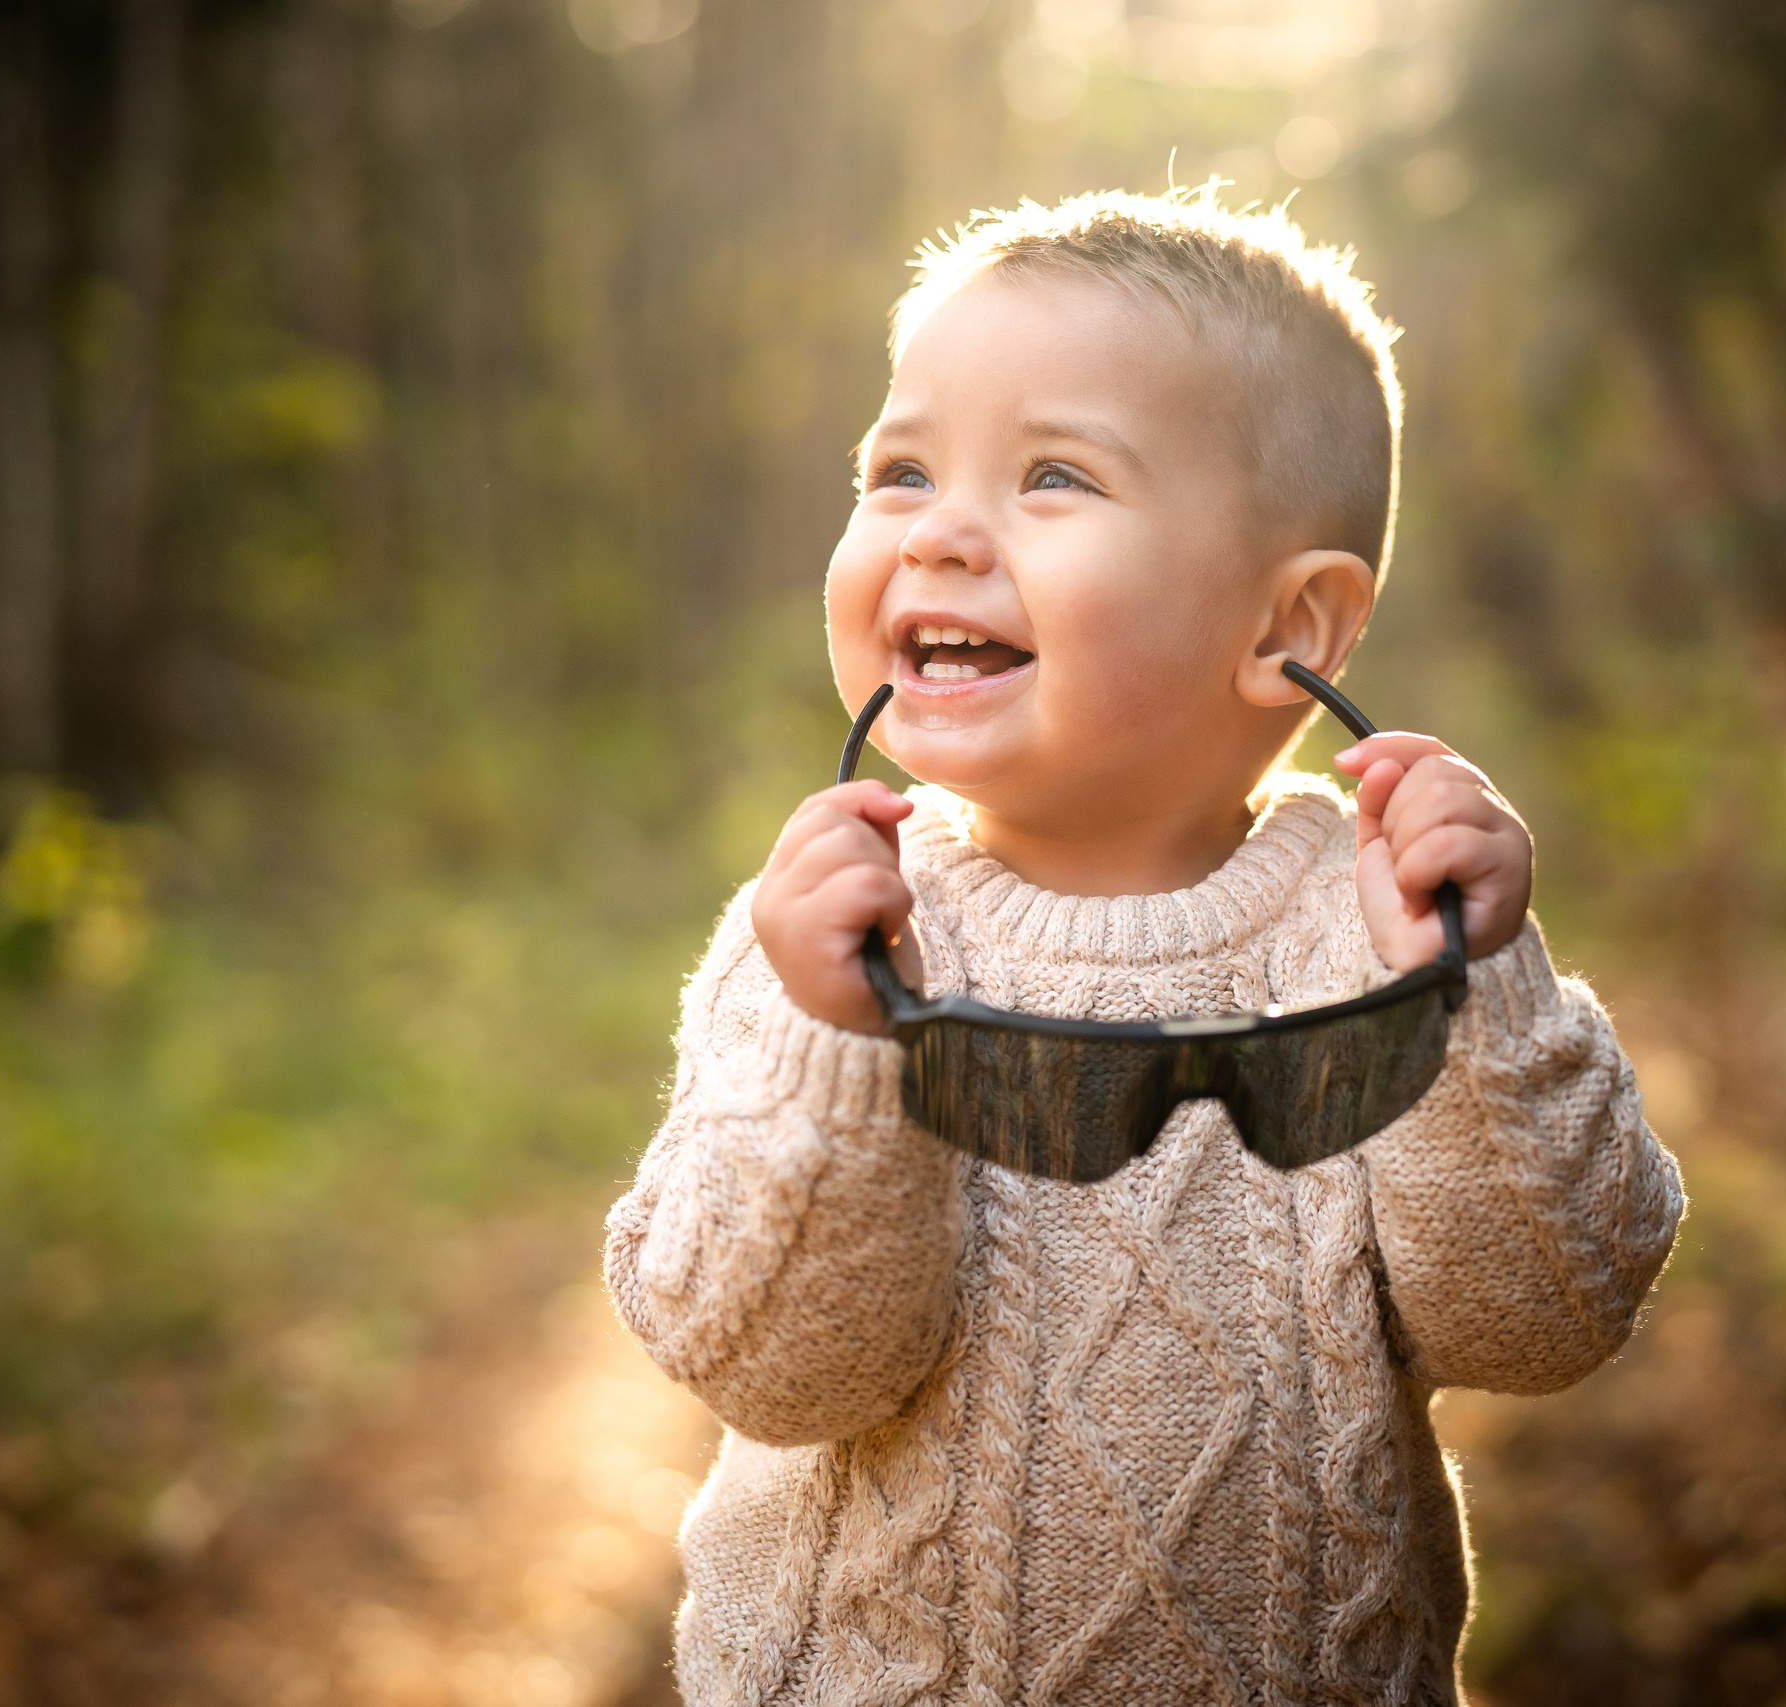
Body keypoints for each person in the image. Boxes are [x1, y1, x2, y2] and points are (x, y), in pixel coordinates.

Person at [603, 187, 1684, 1706]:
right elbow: (774, 1370)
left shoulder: (1368, 921)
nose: (941, 533)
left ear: (1288, 624)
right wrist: (839, 1045)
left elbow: (1544, 1318)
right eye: (899, 470)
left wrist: (1470, 986)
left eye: (1053, 476)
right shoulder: (833, 930)